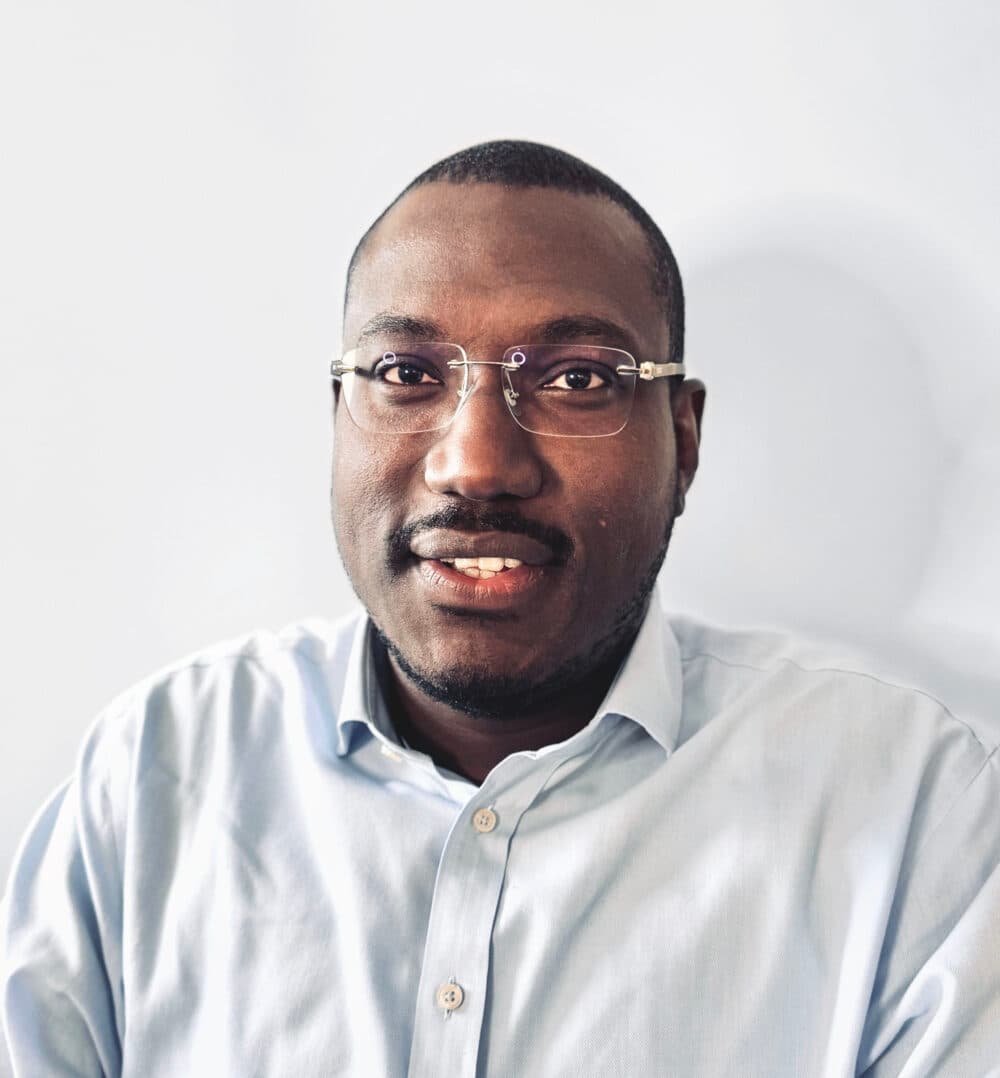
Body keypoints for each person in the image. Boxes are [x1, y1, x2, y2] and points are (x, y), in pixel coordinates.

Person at [1, 140, 998, 1076]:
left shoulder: (909, 802)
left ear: (682, 440)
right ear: (336, 419)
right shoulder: (158, 773)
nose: (475, 462)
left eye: (575, 379)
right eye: (405, 375)